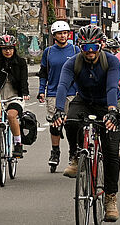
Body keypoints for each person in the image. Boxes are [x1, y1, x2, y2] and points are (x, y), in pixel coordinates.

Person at [52, 24, 120, 222]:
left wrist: (112, 111)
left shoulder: (111, 61)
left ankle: (110, 197)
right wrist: (59, 109)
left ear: (101, 45)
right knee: (70, 121)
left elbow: (111, 87)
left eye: (94, 47)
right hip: (84, 101)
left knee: (111, 152)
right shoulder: (72, 63)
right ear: (80, 47)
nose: (90, 52)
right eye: (85, 47)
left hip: (107, 103)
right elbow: (63, 85)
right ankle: (75, 155)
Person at [38, 20, 80, 170]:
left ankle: (73, 153)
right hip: (53, 93)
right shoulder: (48, 52)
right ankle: (55, 152)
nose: (62, 36)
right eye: (59, 34)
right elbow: (43, 73)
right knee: (55, 125)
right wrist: (41, 90)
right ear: (54, 35)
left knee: (72, 125)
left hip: (72, 93)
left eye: (65, 33)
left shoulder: (75, 50)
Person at [0, 34, 30, 157]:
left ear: (14, 48)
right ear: (0, 49)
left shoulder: (21, 62)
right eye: (5, 49)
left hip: (15, 96)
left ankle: (18, 144)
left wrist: (25, 93)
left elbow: (24, 79)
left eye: (10, 48)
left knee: (11, 115)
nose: (8, 51)